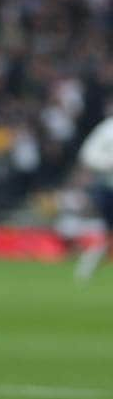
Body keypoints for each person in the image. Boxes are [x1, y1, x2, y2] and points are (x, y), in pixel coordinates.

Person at [76, 113, 113, 281]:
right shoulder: (107, 129)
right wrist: (108, 162)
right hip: (108, 188)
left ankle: (89, 262)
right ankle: (89, 262)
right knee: (109, 232)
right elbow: (88, 155)